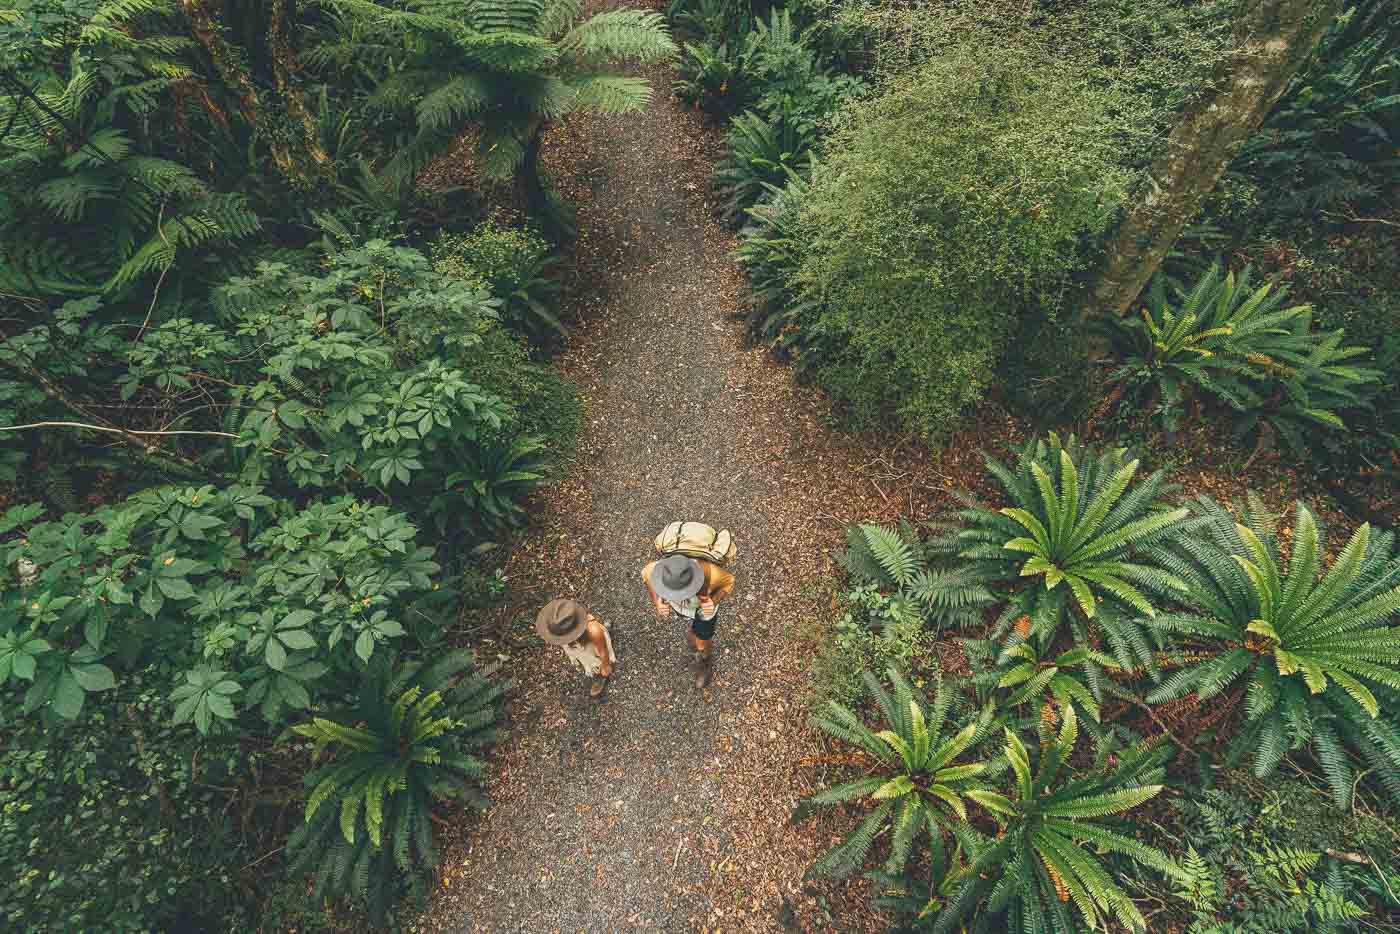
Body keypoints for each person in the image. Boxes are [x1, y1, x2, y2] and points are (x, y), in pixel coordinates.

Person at [641, 554, 734, 688]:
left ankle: (705, 661)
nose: (677, 597)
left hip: (703, 611)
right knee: (694, 634)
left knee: (702, 641)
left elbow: (729, 581)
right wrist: (657, 603)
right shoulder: (655, 570)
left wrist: (713, 601)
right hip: (684, 610)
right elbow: (646, 575)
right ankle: (694, 630)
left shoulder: (711, 574)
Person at [536, 598, 615, 698]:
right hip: (578, 646)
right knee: (583, 655)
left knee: (599, 657)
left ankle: (599, 672)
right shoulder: (560, 627)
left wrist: (605, 667)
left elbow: (603, 652)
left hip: (591, 645)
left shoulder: (593, 630)